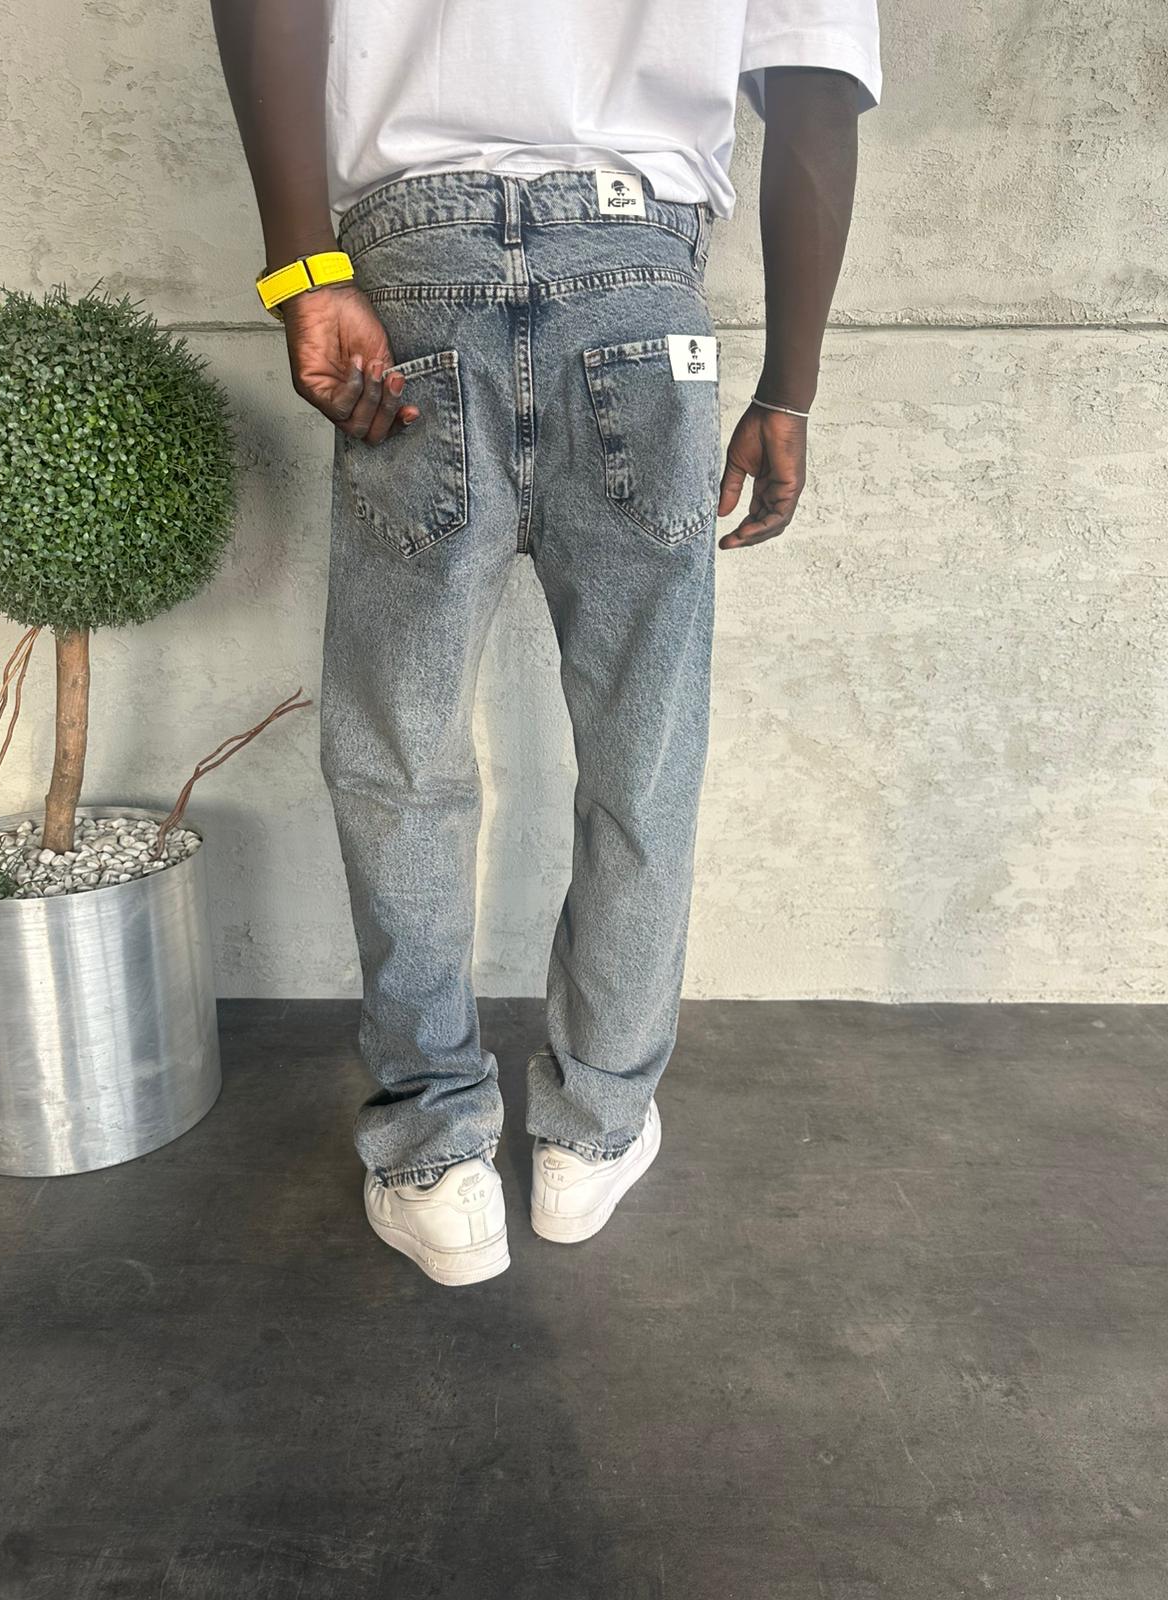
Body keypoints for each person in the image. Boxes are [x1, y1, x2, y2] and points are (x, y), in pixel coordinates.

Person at [209, 0, 882, 1286]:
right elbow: (814, 87)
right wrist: (788, 387)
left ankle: (433, 1156)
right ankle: (592, 1131)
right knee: (644, 753)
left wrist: (305, 271)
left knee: (398, 755)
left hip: (413, 280)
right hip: (639, 284)